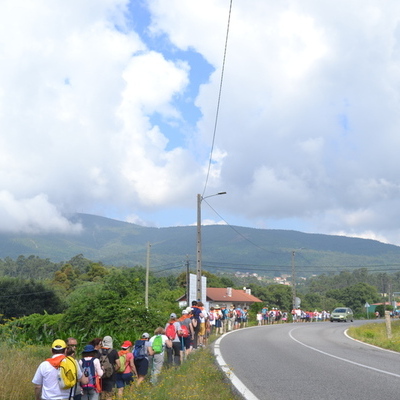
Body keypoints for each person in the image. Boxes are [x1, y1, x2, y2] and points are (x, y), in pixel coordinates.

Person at [99, 336, 120, 400]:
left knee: (102, 392)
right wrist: (114, 370)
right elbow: (118, 365)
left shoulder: (98, 351)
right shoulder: (113, 351)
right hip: (111, 375)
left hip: (101, 375)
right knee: (109, 393)